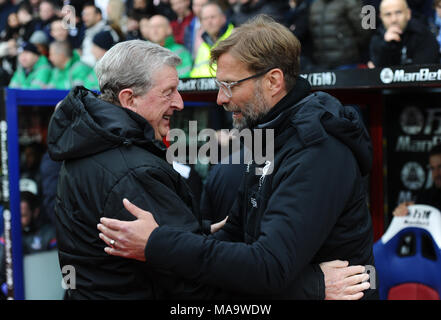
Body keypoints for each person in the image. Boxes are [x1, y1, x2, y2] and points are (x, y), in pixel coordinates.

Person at [48, 38, 370, 300]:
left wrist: (193, 235)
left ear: (273, 81)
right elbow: (194, 286)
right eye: (168, 92)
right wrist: (311, 288)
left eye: (229, 86)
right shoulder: (130, 170)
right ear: (129, 99)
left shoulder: (313, 147)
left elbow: (241, 254)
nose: (182, 103)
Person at [0, 180, 57, 299]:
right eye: (15, 215)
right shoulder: (7, 236)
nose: (18, 221)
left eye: (23, 216)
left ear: (35, 212)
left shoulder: (49, 235)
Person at [369, 0, 439, 68]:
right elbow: (379, 75)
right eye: (388, 14)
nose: (394, 19)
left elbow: (424, 72)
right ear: (381, 17)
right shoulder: (377, 39)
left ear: (408, 14)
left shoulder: (424, 36)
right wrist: (386, 46)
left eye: (398, 12)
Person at [309, 0, 371, 70]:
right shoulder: (315, 4)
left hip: (346, 61)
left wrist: (350, 47)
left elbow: (364, 30)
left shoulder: (349, 2)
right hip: (321, 62)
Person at [393, 144, 441, 216]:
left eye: (440, 167)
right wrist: (407, 210)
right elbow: (419, 207)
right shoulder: (426, 197)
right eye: (432, 168)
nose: (436, 173)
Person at [190, 1, 234, 78]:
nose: (209, 22)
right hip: (201, 89)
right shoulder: (202, 45)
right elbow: (194, 73)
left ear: (223, 18)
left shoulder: (235, 38)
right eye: (205, 18)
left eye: (213, 17)